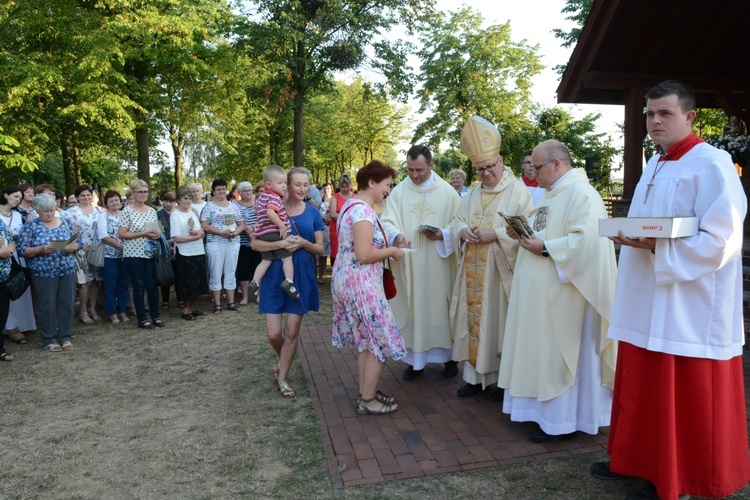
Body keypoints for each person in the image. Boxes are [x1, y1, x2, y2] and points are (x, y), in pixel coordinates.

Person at [591, 81, 750, 500]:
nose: (654, 121)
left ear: (690, 116)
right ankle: (636, 460)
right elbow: (648, 227)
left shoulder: (713, 164)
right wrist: (628, 237)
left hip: (688, 304)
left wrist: (660, 248)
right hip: (647, 298)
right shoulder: (656, 165)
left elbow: (724, 238)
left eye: (664, 113)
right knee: (642, 387)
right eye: (649, 114)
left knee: (678, 394)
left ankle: (673, 477)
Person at [499, 139, 617, 443]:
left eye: (537, 167)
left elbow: (586, 242)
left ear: (556, 164)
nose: (533, 173)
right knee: (543, 354)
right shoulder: (550, 195)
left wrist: (547, 248)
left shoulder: (582, 194)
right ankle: (541, 413)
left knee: (562, 357)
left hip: (567, 296)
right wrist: (520, 231)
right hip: (542, 294)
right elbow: (542, 230)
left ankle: (563, 419)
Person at [445, 116, 535, 398]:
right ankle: (473, 378)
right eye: (479, 169)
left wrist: (495, 234)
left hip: (498, 273)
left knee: (497, 324)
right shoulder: (472, 191)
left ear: (501, 160)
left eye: (488, 167)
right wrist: (463, 231)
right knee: (473, 322)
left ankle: (500, 380)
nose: (485, 174)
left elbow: (528, 228)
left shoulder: (517, 190)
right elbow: (456, 220)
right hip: (472, 267)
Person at [380, 145, 461, 380]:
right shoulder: (399, 192)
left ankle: (448, 359)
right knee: (413, 308)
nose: (414, 175)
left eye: (420, 170)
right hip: (411, 265)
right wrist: (397, 235)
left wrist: (443, 235)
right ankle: (415, 361)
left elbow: (460, 225)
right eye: (410, 169)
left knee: (440, 309)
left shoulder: (448, 193)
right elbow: (386, 220)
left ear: (431, 166)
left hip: (439, 263)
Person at [332, 160, 406, 414]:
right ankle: (368, 400)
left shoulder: (351, 206)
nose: (389, 190)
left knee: (367, 342)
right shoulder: (362, 211)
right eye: (387, 185)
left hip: (350, 281)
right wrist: (393, 251)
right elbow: (364, 254)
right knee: (380, 340)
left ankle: (367, 393)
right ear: (371, 182)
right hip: (361, 285)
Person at [252, 167, 324, 398]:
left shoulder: (313, 213)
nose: (303, 189)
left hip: (299, 274)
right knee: (274, 334)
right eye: (297, 184)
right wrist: (281, 245)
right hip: (274, 272)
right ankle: (283, 357)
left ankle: (282, 378)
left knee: (291, 332)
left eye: (306, 185)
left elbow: (321, 249)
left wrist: (303, 242)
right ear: (286, 185)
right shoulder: (272, 208)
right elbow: (255, 245)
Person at [17, 194, 82, 352]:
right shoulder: (31, 226)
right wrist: (40, 249)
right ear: (37, 210)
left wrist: (73, 247)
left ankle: (65, 336)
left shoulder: (65, 222)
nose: (50, 214)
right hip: (44, 273)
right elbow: (21, 250)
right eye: (46, 211)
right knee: (48, 306)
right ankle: (49, 338)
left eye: (52, 210)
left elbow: (78, 241)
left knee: (67, 303)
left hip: (66, 269)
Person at [118, 179, 165, 330]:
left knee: (152, 286)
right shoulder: (127, 210)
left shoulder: (152, 211)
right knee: (139, 286)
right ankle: (142, 318)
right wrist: (144, 233)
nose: (143, 194)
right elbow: (122, 234)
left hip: (150, 253)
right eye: (140, 192)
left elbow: (157, 230)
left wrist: (157, 235)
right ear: (133, 193)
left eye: (145, 191)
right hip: (133, 254)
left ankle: (155, 316)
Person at [248, 165, 298, 301]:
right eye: (280, 183)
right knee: (287, 259)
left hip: (264, 235)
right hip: (276, 232)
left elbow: (257, 212)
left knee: (265, 260)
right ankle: (289, 281)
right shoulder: (275, 197)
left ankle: (255, 282)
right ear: (268, 184)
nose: (284, 186)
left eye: (285, 183)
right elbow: (270, 212)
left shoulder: (261, 198)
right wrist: (281, 226)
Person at [200, 178, 245, 313]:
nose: (221, 191)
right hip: (215, 243)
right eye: (218, 189)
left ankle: (231, 302)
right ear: (213, 191)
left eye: (223, 189)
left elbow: (241, 223)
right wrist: (221, 232)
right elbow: (204, 225)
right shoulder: (209, 206)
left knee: (230, 272)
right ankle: (217, 304)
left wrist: (236, 232)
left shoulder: (233, 205)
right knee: (216, 272)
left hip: (232, 243)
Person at [0, 186, 36, 344]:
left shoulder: (18, 214)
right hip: (3, 258)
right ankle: (10, 327)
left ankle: (24, 324)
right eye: (15, 196)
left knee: (19, 289)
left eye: (19, 198)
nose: (17, 200)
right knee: (7, 292)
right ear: (6, 195)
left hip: (18, 256)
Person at [67, 184, 105, 324]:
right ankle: (83, 311)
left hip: (97, 250)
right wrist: (80, 247)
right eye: (82, 195)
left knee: (95, 281)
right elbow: (70, 232)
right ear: (77, 197)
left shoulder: (100, 211)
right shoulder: (71, 212)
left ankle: (93, 309)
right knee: (85, 282)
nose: (86, 197)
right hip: (81, 251)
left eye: (88, 194)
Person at [171, 186, 208, 320]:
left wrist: (198, 233)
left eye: (190, 198)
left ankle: (193, 307)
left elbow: (202, 231)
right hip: (185, 253)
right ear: (179, 200)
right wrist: (195, 237)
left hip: (197, 250)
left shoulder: (193, 212)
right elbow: (177, 237)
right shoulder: (175, 214)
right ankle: (186, 309)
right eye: (185, 198)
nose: (188, 201)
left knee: (196, 281)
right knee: (186, 282)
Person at [97, 190, 129, 324]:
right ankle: (112, 312)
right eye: (111, 201)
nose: (115, 203)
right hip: (110, 255)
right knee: (110, 284)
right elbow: (104, 236)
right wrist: (119, 246)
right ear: (106, 204)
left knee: (123, 284)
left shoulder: (125, 214)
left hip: (126, 255)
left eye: (117, 200)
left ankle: (122, 310)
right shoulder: (103, 216)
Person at [232, 182, 262, 306]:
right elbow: (235, 222)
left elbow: (264, 220)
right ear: (239, 193)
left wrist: (253, 229)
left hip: (258, 241)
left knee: (258, 269)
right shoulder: (234, 206)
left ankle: (258, 295)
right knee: (243, 270)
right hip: (242, 243)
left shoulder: (260, 204)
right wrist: (246, 229)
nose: (248, 192)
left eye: (250, 190)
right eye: (245, 191)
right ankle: (245, 296)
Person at [156, 191, 176, 310]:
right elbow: (158, 231)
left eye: (171, 201)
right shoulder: (159, 214)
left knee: (179, 273)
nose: (168, 204)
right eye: (166, 201)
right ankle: (165, 300)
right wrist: (167, 243)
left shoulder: (178, 213)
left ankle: (181, 299)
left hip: (179, 245)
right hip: (165, 247)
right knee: (166, 273)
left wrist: (175, 241)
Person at [328, 174, 354, 266]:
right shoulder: (335, 198)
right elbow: (333, 214)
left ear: (350, 185)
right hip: (336, 230)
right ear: (339, 186)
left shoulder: (355, 197)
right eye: (343, 187)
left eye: (347, 186)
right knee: (336, 252)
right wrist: (348, 217)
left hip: (351, 230)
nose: (345, 189)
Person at [0, 217, 17, 360]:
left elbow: (10, 238)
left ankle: (0, 349)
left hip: (3, 277)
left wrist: (10, 249)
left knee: (2, 313)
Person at [317, 182, 333, 284]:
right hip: (323, 229)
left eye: (328, 188)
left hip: (333, 228)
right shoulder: (320, 202)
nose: (327, 190)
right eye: (325, 189)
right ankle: (320, 276)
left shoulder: (334, 200)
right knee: (322, 255)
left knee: (334, 255)